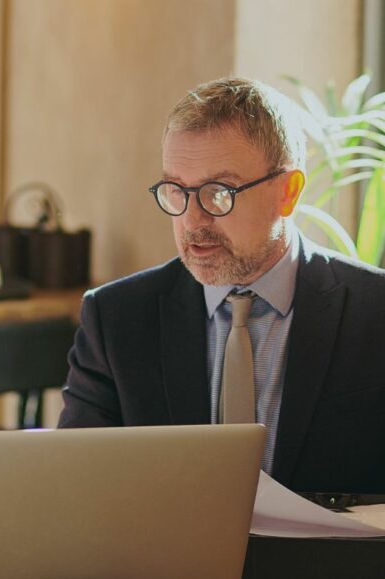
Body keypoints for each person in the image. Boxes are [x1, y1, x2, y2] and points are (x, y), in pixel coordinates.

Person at [59, 76, 385, 495]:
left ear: (288, 192)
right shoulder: (117, 319)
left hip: (330, 561)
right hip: (166, 561)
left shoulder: (374, 314)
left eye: (219, 193)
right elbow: (75, 485)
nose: (193, 221)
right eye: (177, 191)